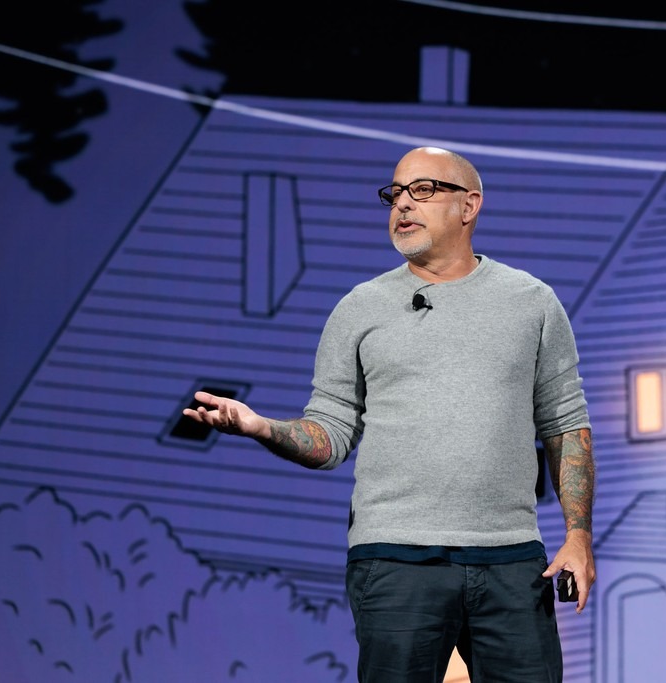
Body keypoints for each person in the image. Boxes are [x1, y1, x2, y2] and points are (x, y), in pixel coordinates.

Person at [183, 146, 595, 682]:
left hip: (512, 559)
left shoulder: (531, 302)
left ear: (469, 205)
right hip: (395, 560)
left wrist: (578, 536)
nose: (403, 204)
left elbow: (565, 424)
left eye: (423, 190)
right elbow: (330, 435)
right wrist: (261, 427)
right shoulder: (360, 307)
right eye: (395, 193)